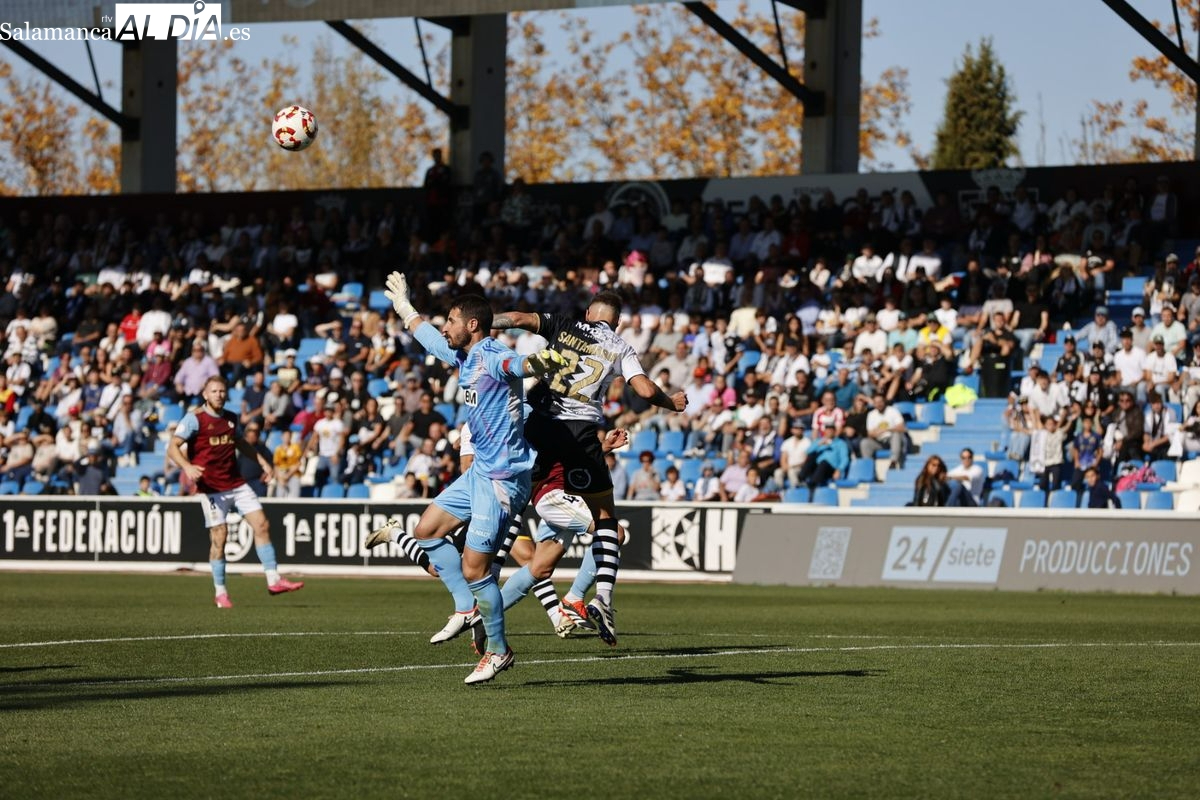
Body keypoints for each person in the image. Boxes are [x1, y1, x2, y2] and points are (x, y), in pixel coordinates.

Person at [364, 273, 563, 684]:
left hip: (502, 481)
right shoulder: (464, 356)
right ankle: (464, 606)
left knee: (476, 569)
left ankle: (497, 650)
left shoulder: (490, 354)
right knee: (426, 530)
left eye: (451, 320)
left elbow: (517, 365)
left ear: (472, 324)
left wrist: (540, 362)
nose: (446, 326)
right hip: (478, 476)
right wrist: (404, 307)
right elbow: (432, 341)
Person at [490, 291, 686, 647]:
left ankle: (496, 612)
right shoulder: (621, 346)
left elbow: (517, 319)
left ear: (588, 312)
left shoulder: (564, 324)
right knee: (609, 524)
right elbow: (643, 390)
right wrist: (670, 403)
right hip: (579, 436)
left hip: (538, 425)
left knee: (541, 564)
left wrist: (482, 325)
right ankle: (600, 598)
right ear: (618, 321)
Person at [167, 375, 304, 608]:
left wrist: (262, 461)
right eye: (214, 391)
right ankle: (220, 592)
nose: (219, 395)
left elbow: (240, 443)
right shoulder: (194, 419)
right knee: (219, 538)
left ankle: (273, 580)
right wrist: (187, 466)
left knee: (262, 525)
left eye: (222, 391)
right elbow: (172, 447)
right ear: (205, 394)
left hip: (236, 483)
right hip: (211, 489)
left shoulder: (231, 418)